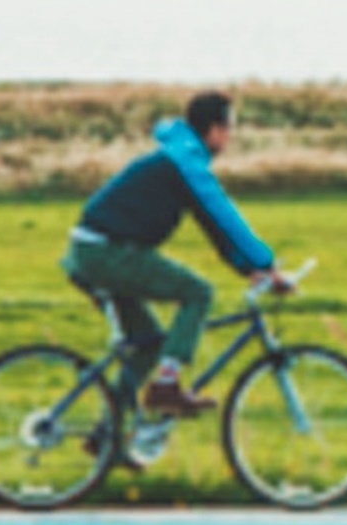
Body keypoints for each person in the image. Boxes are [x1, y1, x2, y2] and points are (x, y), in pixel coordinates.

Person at [59, 91, 291, 435]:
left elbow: (213, 227)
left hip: (91, 251)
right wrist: (267, 264)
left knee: (147, 345)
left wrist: (249, 269)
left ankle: (106, 439)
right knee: (197, 293)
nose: (230, 137)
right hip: (106, 253)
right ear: (213, 130)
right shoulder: (186, 163)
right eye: (229, 128)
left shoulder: (179, 158)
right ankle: (166, 386)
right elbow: (225, 215)